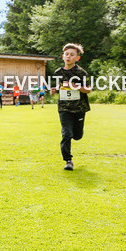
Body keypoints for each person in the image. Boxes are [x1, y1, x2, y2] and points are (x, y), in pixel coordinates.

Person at [49, 43, 91, 171]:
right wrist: (53, 90)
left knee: (77, 136)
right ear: (63, 56)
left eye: (72, 55)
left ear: (77, 58)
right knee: (67, 134)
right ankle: (68, 161)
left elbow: (88, 90)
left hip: (79, 108)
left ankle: (77, 133)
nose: (69, 56)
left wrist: (76, 87)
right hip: (64, 108)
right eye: (67, 54)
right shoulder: (58, 72)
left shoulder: (81, 73)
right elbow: (55, 87)